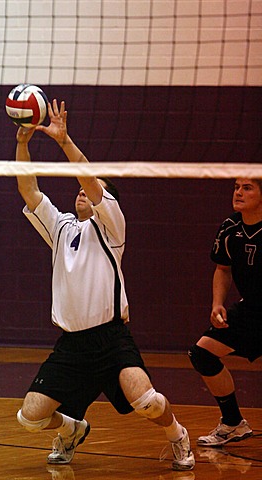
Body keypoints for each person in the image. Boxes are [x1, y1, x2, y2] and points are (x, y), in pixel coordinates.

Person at [15, 99, 195, 471]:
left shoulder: (112, 229)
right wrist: (23, 142)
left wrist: (64, 142)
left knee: (146, 400)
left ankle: (177, 434)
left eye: (91, 189)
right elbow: (30, 192)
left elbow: (88, 177)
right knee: (29, 417)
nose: (82, 191)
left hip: (111, 339)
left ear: (103, 198)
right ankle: (72, 430)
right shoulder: (62, 227)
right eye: (79, 190)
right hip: (72, 345)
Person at [188, 177, 262, 446]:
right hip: (251, 310)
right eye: (236, 187)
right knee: (202, 354)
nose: (239, 193)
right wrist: (217, 304)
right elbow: (222, 268)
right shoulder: (230, 228)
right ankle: (233, 423)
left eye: (247, 188)